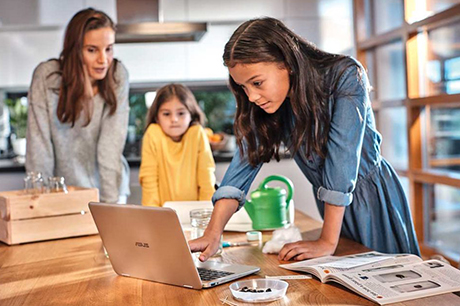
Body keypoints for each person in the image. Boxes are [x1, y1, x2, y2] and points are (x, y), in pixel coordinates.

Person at [189, 17, 420, 262]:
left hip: (373, 201)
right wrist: (213, 233)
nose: (252, 96)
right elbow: (241, 167)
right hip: (331, 208)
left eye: (257, 83)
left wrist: (327, 241)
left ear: (286, 62)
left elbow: (342, 161)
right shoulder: (270, 104)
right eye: (244, 88)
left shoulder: (345, 75)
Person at [26, 8, 130, 203]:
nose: (103, 60)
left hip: (110, 191)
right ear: (75, 49)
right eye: (92, 50)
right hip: (63, 193)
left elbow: (111, 146)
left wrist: (111, 206)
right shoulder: (47, 78)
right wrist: (41, 201)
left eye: (109, 49)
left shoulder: (117, 76)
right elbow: (39, 148)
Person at [139, 84, 216, 206]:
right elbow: (149, 181)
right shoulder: (153, 134)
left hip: (197, 215)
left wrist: (206, 212)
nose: (174, 119)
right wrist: (153, 216)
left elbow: (206, 179)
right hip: (163, 215)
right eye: (166, 114)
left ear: (191, 114)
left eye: (181, 113)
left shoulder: (197, 133)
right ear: (157, 117)